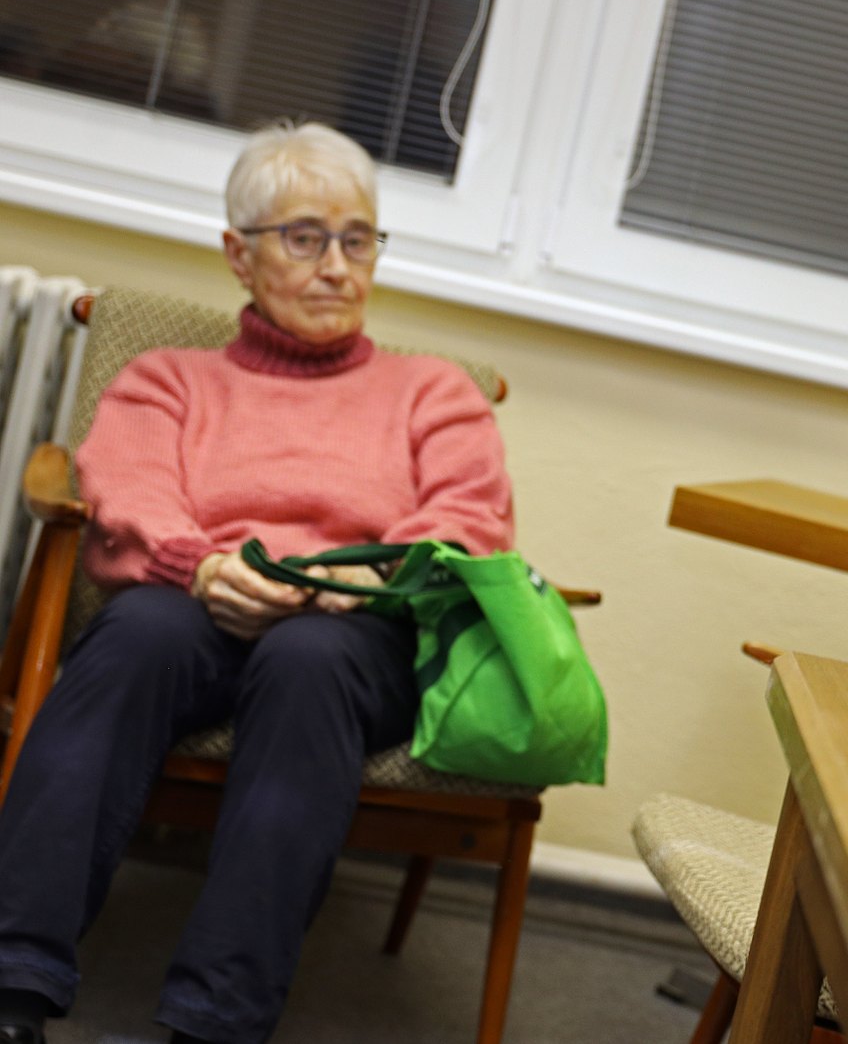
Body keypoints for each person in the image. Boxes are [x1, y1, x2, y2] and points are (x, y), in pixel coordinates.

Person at [0, 122, 512, 1044]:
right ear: (240, 253)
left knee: (308, 659)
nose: (336, 267)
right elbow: (129, 489)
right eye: (305, 238)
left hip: (355, 635)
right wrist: (203, 566)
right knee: (136, 636)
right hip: (199, 602)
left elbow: (470, 518)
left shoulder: (434, 392)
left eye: (357, 239)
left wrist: (371, 572)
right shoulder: (167, 379)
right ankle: (12, 986)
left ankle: (214, 1022)